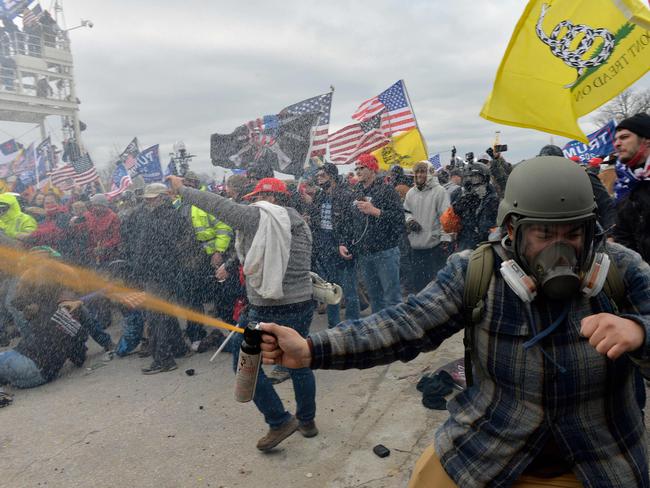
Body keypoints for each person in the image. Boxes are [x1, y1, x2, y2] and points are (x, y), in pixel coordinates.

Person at [260, 156, 650, 487]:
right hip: (486, 450)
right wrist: (312, 348)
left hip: (602, 460)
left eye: (573, 233)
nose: (560, 247)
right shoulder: (477, 271)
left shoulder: (620, 269)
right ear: (512, 230)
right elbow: (404, 324)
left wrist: (641, 331)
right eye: (544, 233)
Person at [167, 174, 317, 452]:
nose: (255, 204)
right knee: (298, 361)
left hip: (270, 308)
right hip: (301, 302)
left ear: (272, 198)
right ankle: (307, 421)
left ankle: (278, 420)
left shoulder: (264, 218)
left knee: (244, 364)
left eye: (259, 198)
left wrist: (183, 190)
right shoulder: (298, 222)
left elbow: (221, 207)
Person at [129, 183, 193, 374]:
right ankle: (179, 348)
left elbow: (149, 248)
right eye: (148, 199)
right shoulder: (170, 216)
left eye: (152, 198)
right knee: (165, 312)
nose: (148, 202)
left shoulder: (159, 218)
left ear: (162, 197)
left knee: (157, 317)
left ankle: (163, 359)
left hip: (157, 272)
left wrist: (139, 270)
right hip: (164, 271)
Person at [340, 153, 405, 313]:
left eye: (362, 167)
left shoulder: (387, 190)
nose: (358, 171)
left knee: (392, 298)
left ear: (373, 169)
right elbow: (349, 221)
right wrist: (343, 243)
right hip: (365, 253)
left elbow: (399, 219)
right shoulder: (355, 192)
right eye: (356, 168)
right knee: (375, 298)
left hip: (385, 251)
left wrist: (376, 211)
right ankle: (380, 333)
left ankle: (397, 333)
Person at [309, 162, 360, 327]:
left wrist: (343, 242)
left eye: (322, 175)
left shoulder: (346, 195)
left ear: (332, 176)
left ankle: (353, 326)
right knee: (330, 291)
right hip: (325, 248)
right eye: (317, 176)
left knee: (350, 290)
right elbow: (317, 221)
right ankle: (334, 326)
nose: (319, 179)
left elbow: (351, 224)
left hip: (343, 248)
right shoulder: (320, 196)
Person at [403, 161, 450, 293]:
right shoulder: (411, 193)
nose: (419, 175)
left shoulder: (440, 192)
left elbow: (446, 217)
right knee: (418, 287)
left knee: (434, 288)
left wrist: (445, 239)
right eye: (417, 172)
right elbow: (406, 212)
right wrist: (410, 220)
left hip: (434, 247)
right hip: (416, 248)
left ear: (430, 173)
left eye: (422, 171)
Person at [612, 113, 650, 262]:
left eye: (624, 137)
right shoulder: (624, 185)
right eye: (616, 139)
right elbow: (623, 237)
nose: (617, 144)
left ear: (646, 141)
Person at [448, 162, 499, 251]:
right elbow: (448, 226)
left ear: (485, 179)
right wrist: (456, 209)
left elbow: (497, 230)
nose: (471, 183)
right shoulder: (459, 195)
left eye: (475, 178)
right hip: (464, 244)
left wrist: (484, 233)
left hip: (486, 247)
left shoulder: (493, 199)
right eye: (468, 179)